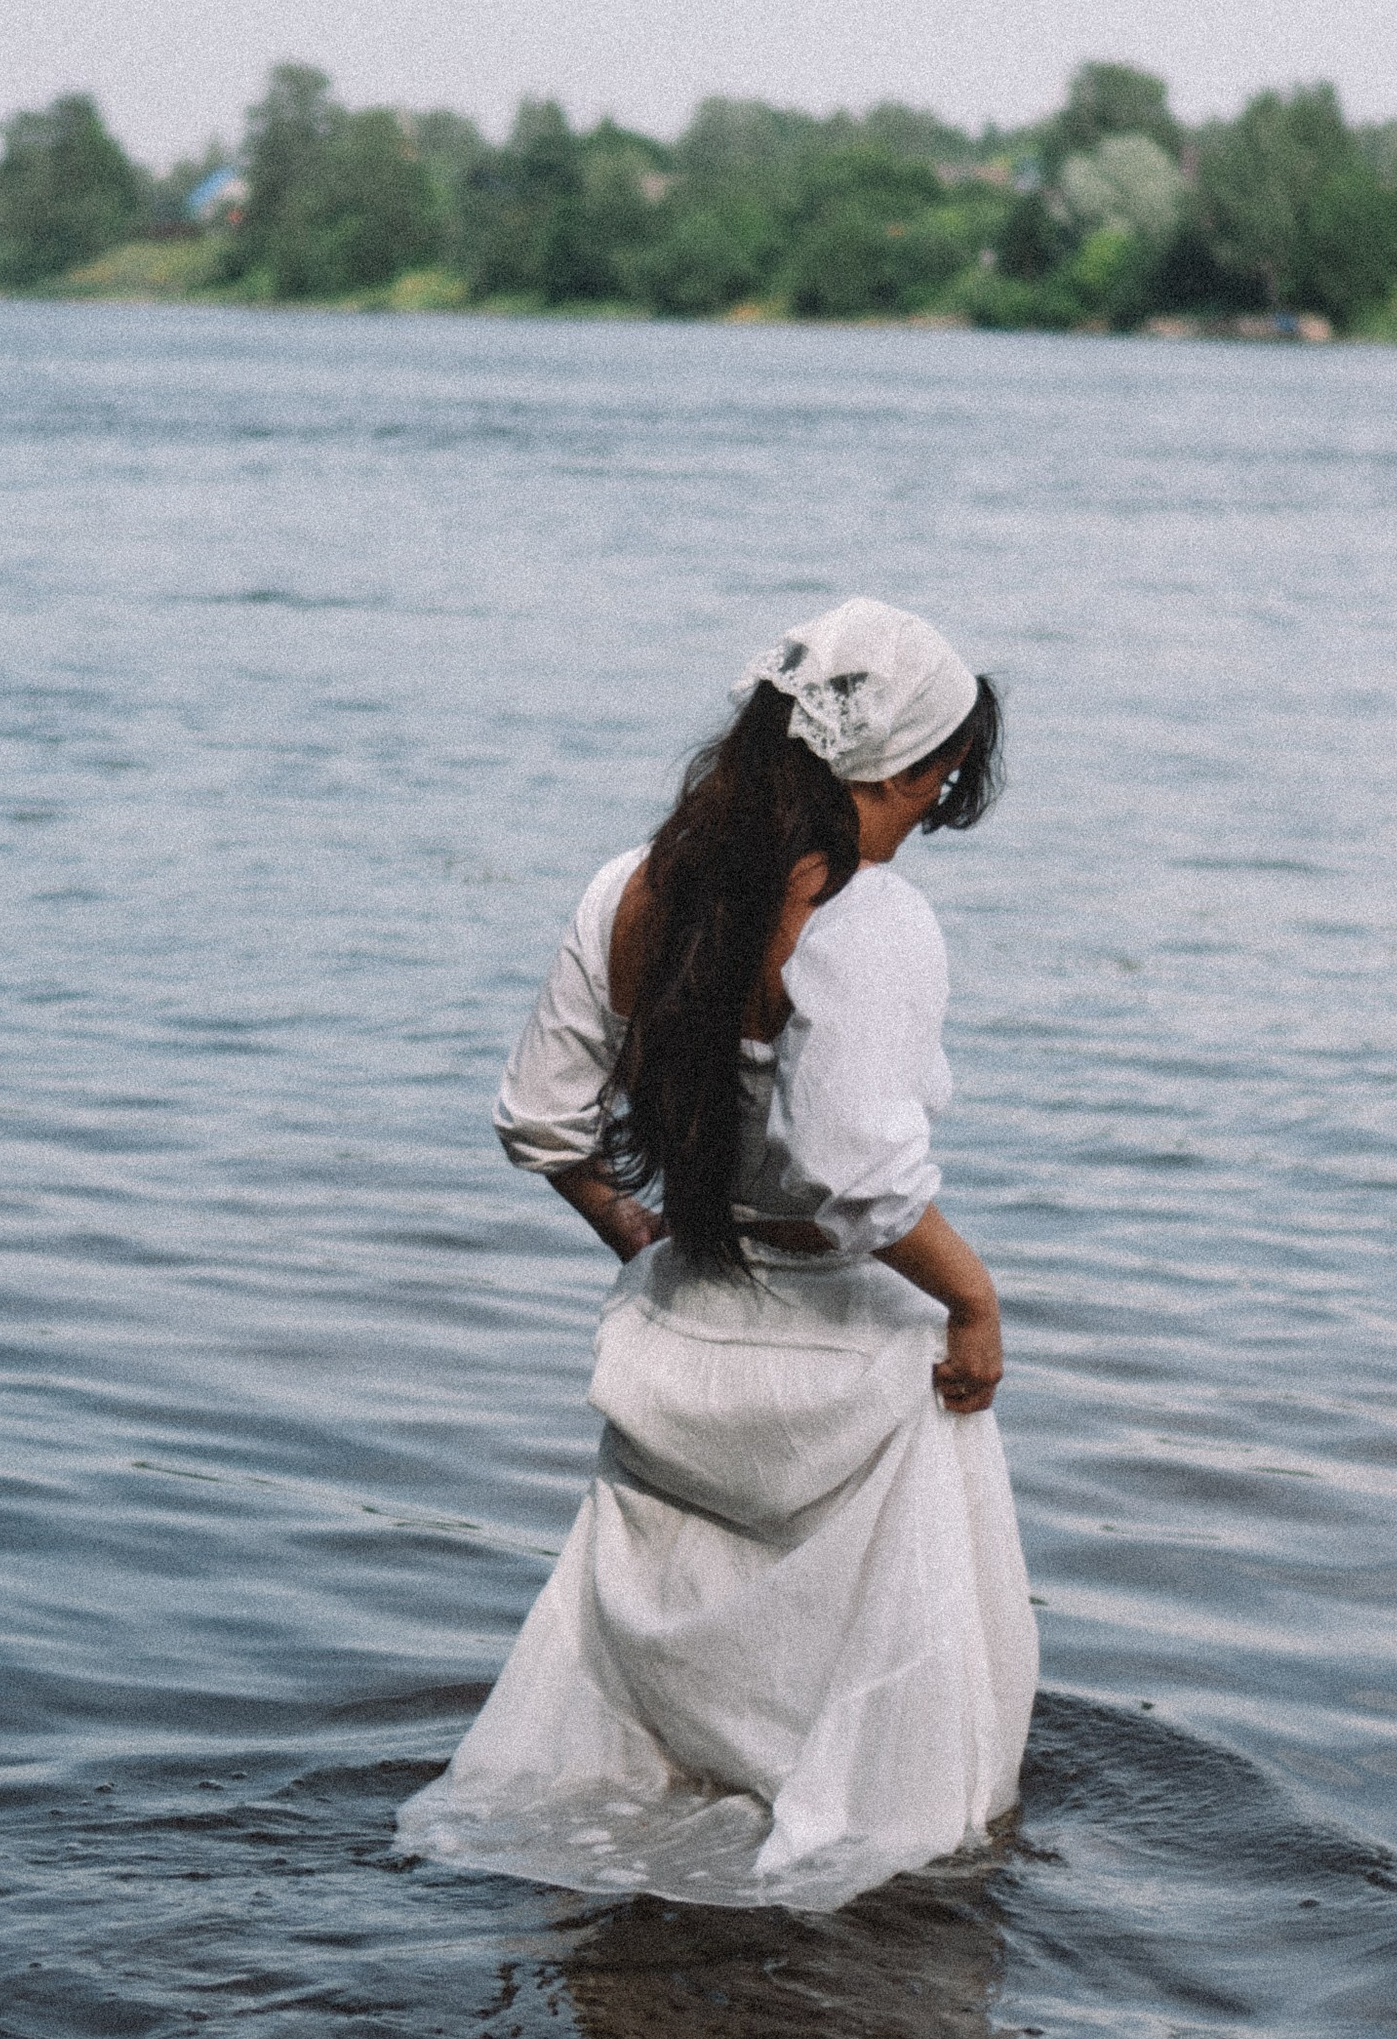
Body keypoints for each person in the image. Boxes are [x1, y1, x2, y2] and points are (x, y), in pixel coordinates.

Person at [397, 597, 1038, 1911]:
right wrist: (974, 1301)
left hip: (680, 1334)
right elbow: (854, 1173)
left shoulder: (634, 891)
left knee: (655, 1727)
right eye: (937, 777)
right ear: (891, 768)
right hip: (840, 1358)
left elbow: (537, 1118)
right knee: (894, 1770)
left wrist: (643, 1236)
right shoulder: (873, 924)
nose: (934, 806)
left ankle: (656, 1974)